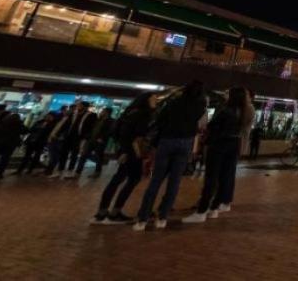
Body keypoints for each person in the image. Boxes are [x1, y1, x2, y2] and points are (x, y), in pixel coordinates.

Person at [134, 81, 208, 231]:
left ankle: (143, 218)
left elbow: (160, 121)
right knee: (174, 183)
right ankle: (162, 217)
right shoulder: (200, 106)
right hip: (185, 143)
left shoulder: (174, 103)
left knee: (156, 180)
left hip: (167, 140)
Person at [184, 87, 253, 223]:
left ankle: (201, 211)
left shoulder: (226, 111)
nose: (225, 95)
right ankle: (214, 208)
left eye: (228, 93)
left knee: (211, 178)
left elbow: (212, 126)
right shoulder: (243, 112)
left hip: (219, 145)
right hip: (233, 145)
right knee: (224, 177)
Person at [92, 92, 156, 225]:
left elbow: (116, 132)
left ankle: (102, 212)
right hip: (132, 151)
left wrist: (121, 149)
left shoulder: (130, 112)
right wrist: (128, 151)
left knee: (117, 179)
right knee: (132, 179)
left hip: (125, 149)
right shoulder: (143, 114)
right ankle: (115, 212)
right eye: (153, 98)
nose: (155, 100)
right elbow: (134, 134)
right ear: (146, 100)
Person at [58, 101, 97, 179]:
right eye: (78, 105)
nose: (78, 107)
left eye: (80, 105)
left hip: (79, 137)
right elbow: (66, 124)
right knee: (64, 152)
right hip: (69, 135)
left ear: (85, 107)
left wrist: (86, 137)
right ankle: (60, 169)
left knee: (74, 154)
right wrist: (60, 133)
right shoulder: (73, 114)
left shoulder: (91, 115)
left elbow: (91, 127)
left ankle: (70, 170)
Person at [75, 108, 115, 178]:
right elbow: (92, 128)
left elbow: (110, 131)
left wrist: (102, 138)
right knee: (84, 155)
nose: (101, 112)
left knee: (98, 157)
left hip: (100, 141)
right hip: (91, 139)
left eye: (103, 111)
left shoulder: (111, 121)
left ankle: (97, 172)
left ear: (107, 112)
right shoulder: (98, 119)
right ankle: (78, 172)